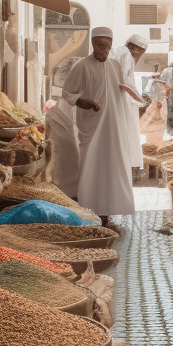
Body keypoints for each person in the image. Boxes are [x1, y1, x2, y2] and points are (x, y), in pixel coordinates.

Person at [62, 27, 138, 222]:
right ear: (93, 44)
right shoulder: (81, 65)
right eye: (99, 43)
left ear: (111, 44)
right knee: (91, 166)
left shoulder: (115, 65)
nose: (103, 47)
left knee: (112, 166)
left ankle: (108, 210)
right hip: (91, 126)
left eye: (107, 43)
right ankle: (90, 210)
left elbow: (120, 90)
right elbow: (68, 92)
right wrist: (81, 102)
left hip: (114, 126)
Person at [113, 33, 148, 170]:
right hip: (123, 100)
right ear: (136, 49)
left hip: (117, 98)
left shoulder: (120, 52)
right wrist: (141, 101)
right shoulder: (127, 56)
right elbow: (126, 84)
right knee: (126, 131)